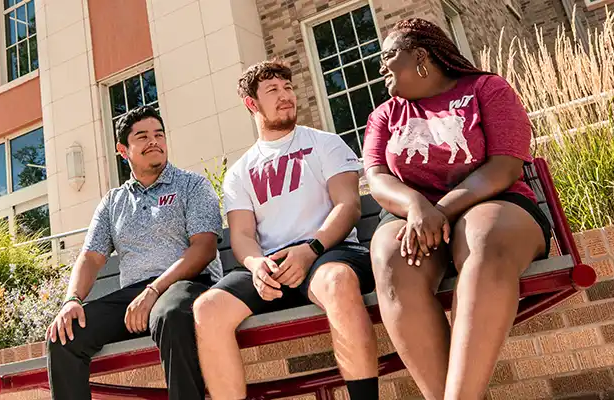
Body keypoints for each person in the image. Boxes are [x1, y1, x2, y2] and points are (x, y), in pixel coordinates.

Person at [363, 19, 552, 400]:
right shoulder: (384, 115)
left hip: (494, 201)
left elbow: (504, 166)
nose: (380, 67)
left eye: (389, 56)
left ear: (421, 56)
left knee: (482, 236)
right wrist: (415, 205)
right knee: (390, 259)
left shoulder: (486, 88)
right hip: (412, 214)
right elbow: (378, 177)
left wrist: (441, 210)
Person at [193, 60, 380, 399]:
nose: (286, 96)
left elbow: (348, 206)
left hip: (328, 252)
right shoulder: (240, 172)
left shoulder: (325, 143)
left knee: (337, 282)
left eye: (288, 88)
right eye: (273, 90)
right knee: (207, 309)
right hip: (274, 266)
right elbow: (242, 235)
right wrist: (257, 266)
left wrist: (311, 250)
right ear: (251, 103)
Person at [46, 106, 223, 400]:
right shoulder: (113, 202)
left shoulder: (192, 185)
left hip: (188, 286)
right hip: (136, 300)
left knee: (170, 314)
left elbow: (204, 248)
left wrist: (154, 290)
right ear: (123, 150)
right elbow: (90, 257)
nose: (154, 141)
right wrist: (72, 300)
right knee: (65, 336)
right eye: (142, 136)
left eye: (159, 134)